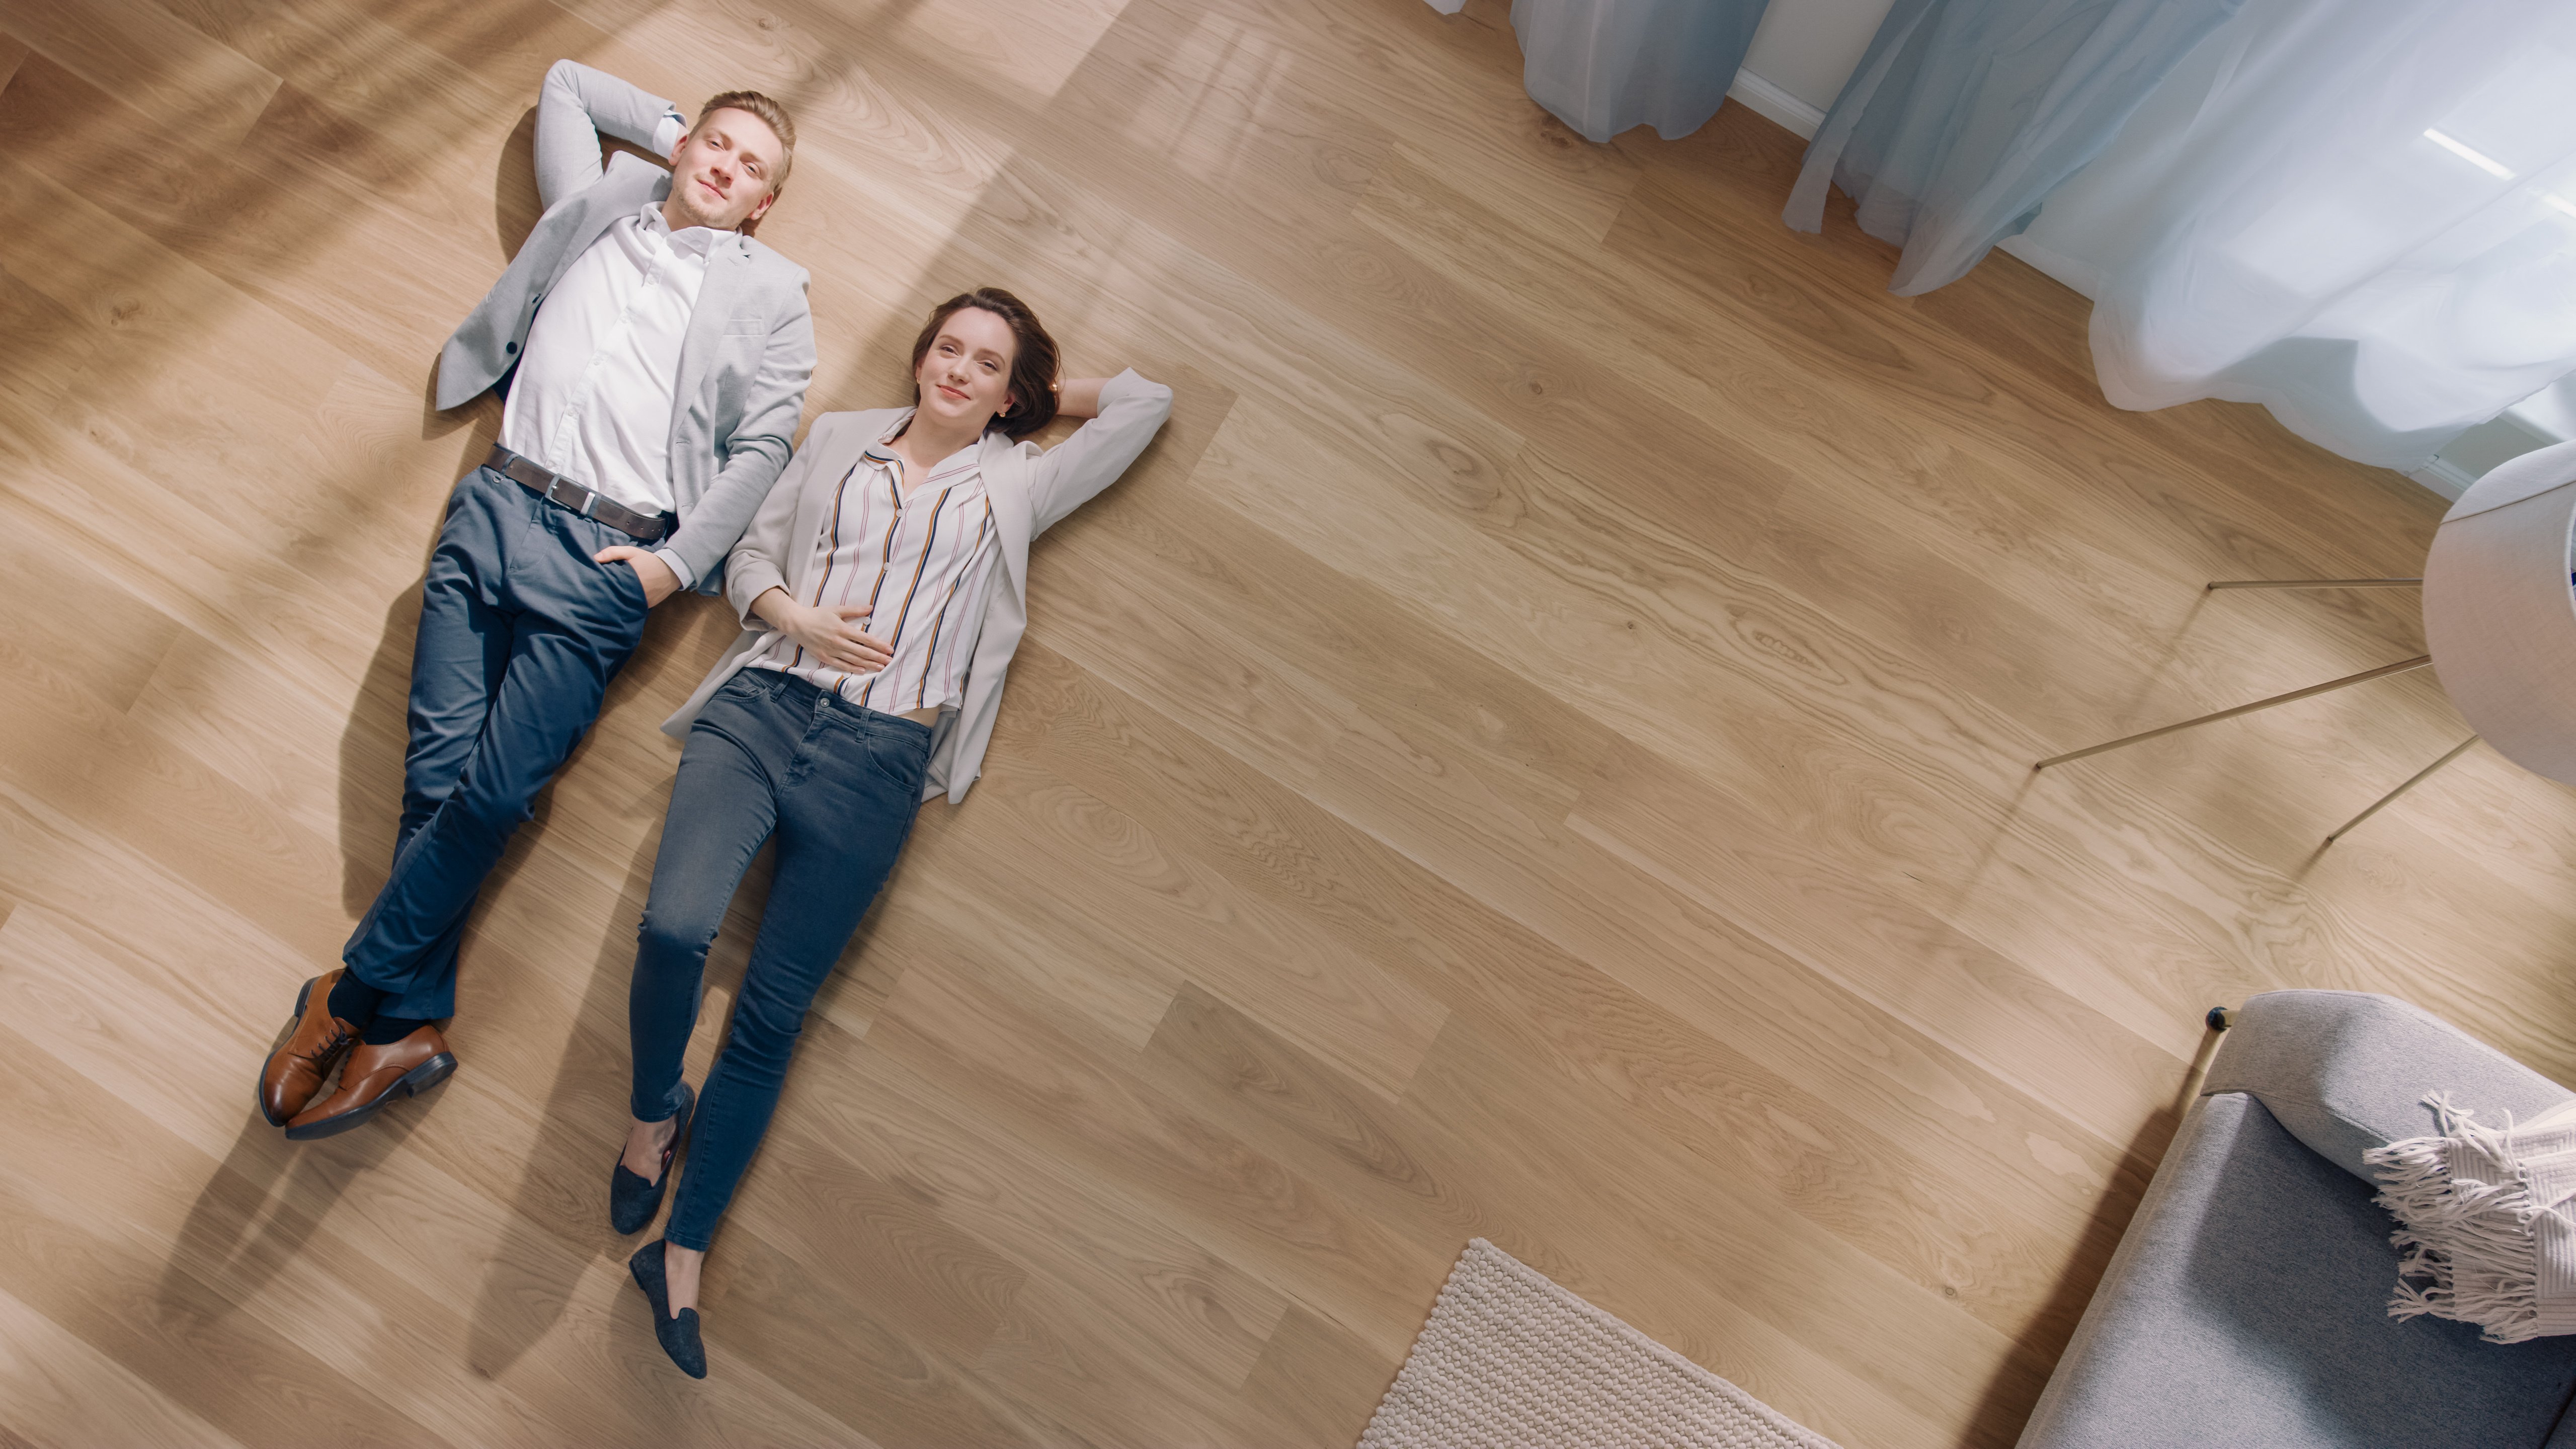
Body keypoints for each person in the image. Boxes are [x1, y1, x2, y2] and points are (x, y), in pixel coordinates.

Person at [608, 287, 1171, 1377]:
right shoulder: (839, 441)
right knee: (674, 931)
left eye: (987, 364)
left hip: (879, 767)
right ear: (919, 359)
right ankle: (650, 1113)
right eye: (947, 349)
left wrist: (1042, 398)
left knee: (773, 1017)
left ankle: (679, 1255)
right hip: (765, 709)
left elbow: (1148, 402)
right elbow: (751, 562)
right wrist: (796, 617)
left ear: (1013, 393)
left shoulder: (1021, 479)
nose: (958, 371)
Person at [257, 61, 817, 1140]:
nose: (724, 167)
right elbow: (565, 85)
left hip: (611, 556)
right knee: (437, 775)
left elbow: (764, 449)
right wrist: (669, 130)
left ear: (765, 204)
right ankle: (409, 1021)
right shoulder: (600, 203)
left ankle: (348, 994)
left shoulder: (772, 297)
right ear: (684, 147)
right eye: (715, 143)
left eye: (751, 166)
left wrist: (671, 567)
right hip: (497, 504)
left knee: (495, 795)